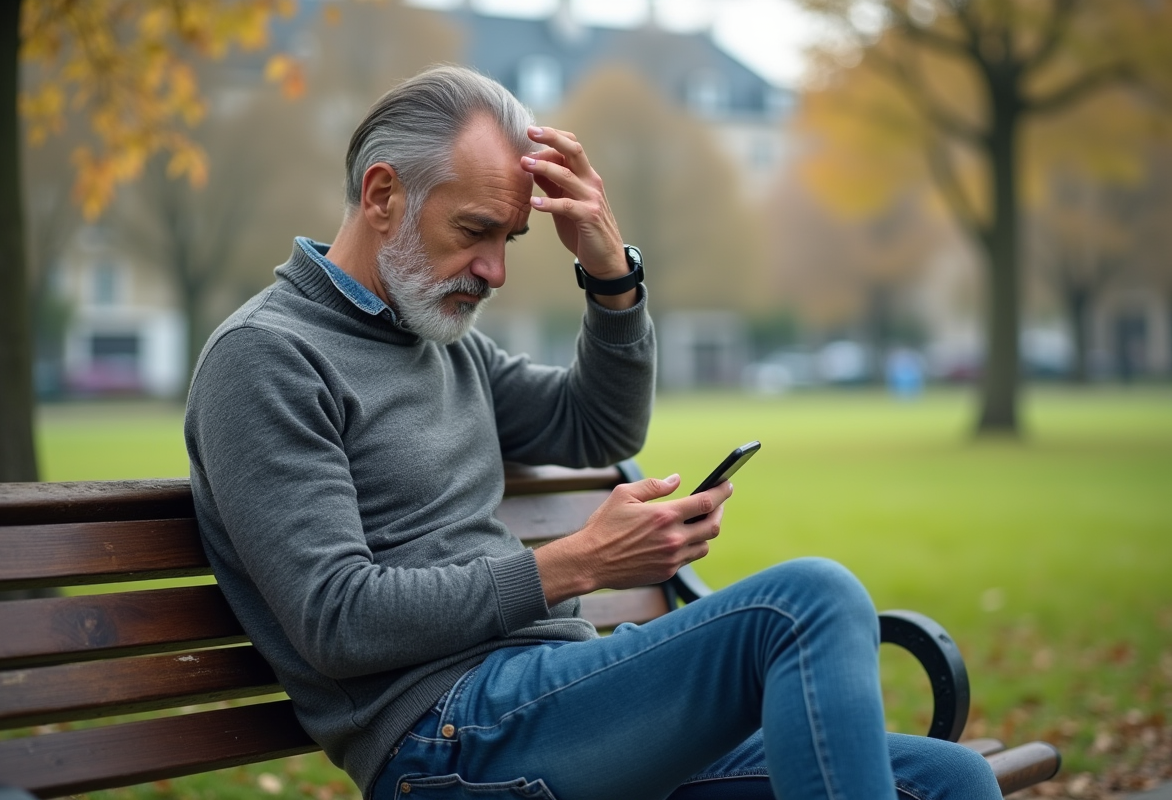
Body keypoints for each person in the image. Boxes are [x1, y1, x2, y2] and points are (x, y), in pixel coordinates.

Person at [185, 65, 1001, 800]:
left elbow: (597, 422)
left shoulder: (433, 337)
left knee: (949, 782)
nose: (496, 271)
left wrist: (612, 277)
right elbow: (338, 620)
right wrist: (580, 562)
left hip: (551, 697)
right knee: (806, 603)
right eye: (475, 232)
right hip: (442, 744)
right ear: (383, 193)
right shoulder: (267, 359)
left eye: (510, 239)